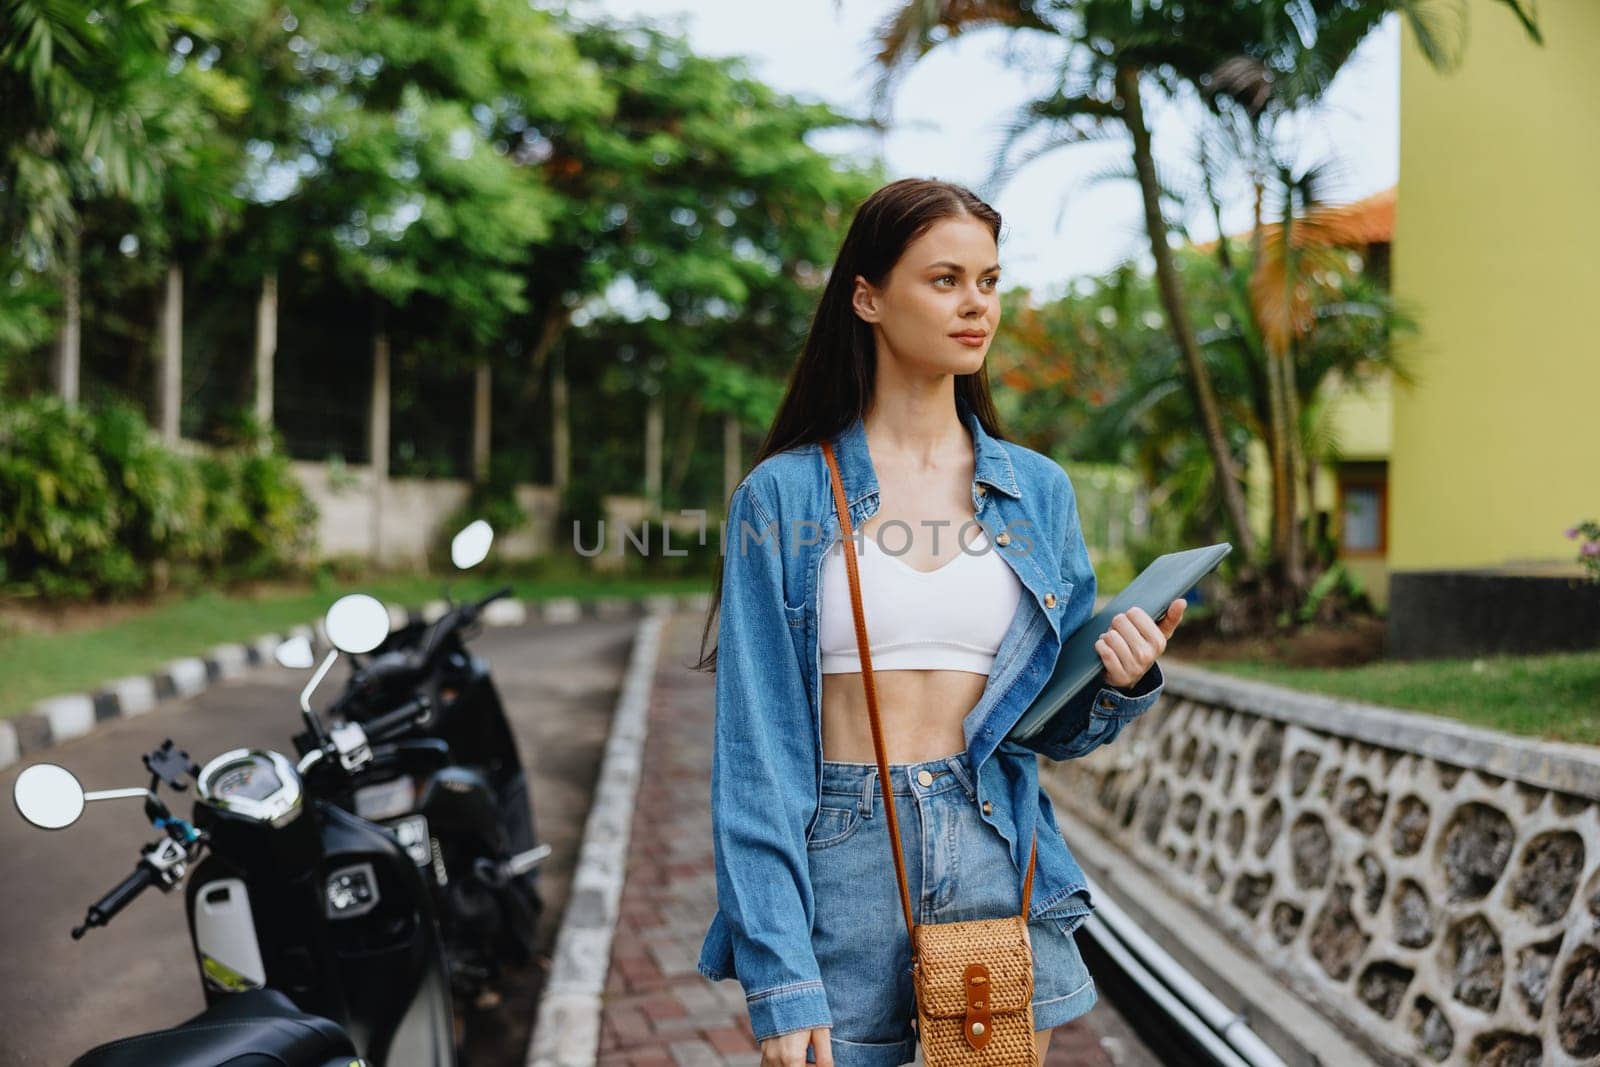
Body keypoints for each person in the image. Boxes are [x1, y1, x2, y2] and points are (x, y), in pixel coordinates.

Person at [693, 177, 1186, 1067]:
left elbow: (1048, 730)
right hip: (840, 864)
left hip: (996, 844)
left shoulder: (1038, 491)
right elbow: (755, 759)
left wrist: (1120, 676)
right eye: (946, 279)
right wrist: (780, 975)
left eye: (990, 282)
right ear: (868, 296)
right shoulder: (786, 495)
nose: (976, 306)